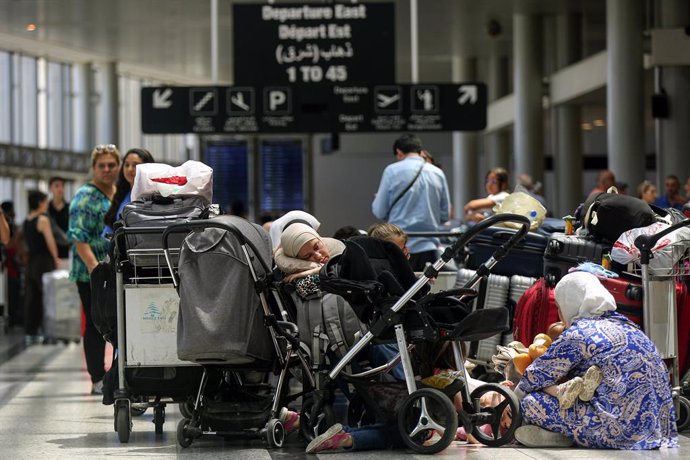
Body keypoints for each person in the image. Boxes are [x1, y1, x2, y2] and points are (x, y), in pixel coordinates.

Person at [513, 271, 677, 449]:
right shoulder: (631, 327)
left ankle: (565, 436)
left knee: (531, 402)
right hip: (660, 431)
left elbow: (535, 376)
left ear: (569, 304)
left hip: (619, 433)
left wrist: (511, 401)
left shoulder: (579, 332)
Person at [68, 144, 120, 395]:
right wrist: (94, 269)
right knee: (95, 323)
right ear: (93, 168)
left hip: (113, 270)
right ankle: (97, 377)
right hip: (91, 272)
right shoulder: (85, 196)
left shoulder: (117, 193)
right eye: (102, 165)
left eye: (112, 165)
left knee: (114, 321)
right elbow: (78, 237)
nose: (107, 169)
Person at [372, 134, 450, 271]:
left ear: (399, 152)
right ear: (420, 151)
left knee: (402, 290)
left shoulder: (392, 171)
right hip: (429, 246)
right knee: (427, 289)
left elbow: (380, 211)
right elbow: (445, 215)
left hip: (399, 246)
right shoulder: (437, 173)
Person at [23, 190, 60, 343]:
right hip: (43, 262)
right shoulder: (43, 219)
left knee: (32, 297)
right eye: (45, 201)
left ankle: (31, 331)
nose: (46, 205)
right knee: (48, 297)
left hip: (31, 262)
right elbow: (50, 241)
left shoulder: (27, 220)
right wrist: (55, 257)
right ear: (40, 203)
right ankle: (49, 332)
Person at [102, 148, 155, 237]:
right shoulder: (121, 195)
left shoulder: (155, 196)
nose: (130, 169)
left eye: (135, 165)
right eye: (126, 165)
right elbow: (108, 232)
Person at [47, 177, 71, 259]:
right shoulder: (46, 209)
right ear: (50, 189)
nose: (60, 189)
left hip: (67, 251)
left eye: (62, 186)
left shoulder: (70, 208)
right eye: (57, 186)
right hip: (49, 252)